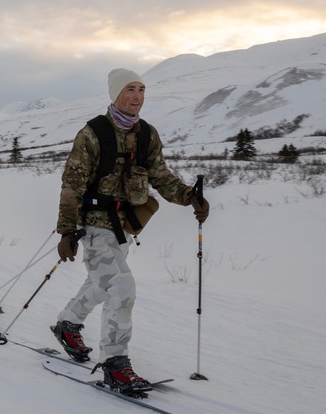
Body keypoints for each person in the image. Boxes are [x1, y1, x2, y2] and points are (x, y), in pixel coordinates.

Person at [51, 68, 210, 395]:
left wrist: (189, 197)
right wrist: (66, 233)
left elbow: (162, 178)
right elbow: (71, 186)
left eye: (141, 89)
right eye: (130, 89)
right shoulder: (93, 133)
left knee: (101, 284)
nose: (137, 96)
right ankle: (115, 364)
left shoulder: (147, 135)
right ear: (115, 94)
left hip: (125, 225)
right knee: (121, 288)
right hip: (94, 223)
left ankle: (67, 324)